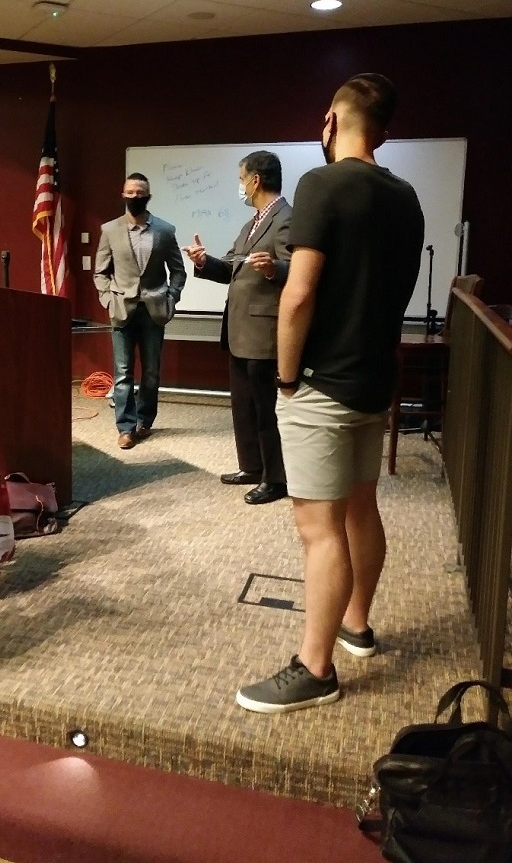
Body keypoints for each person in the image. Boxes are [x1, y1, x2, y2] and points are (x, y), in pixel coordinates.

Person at [236, 73, 424, 714]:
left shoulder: (321, 184)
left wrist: (286, 378)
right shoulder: (406, 196)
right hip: (375, 381)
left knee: (318, 530)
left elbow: (300, 292)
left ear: (331, 121)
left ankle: (315, 669)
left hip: (322, 384)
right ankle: (357, 626)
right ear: (385, 131)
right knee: (359, 509)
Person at [184, 150, 291, 505]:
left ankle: (276, 479)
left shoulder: (286, 219)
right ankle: (251, 467)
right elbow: (233, 266)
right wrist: (204, 261)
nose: (240, 185)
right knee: (243, 405)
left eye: (242, 178)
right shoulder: (252, 224)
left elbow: (296, 267)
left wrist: (274, 268)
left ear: (256, 180)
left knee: (265, 408)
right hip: (238, 330)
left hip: (264, 332)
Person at [94, 172, 186, 449]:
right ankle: (125, 427)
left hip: (154, 309)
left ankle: (144, 421)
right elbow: (101, 273)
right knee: (122, 372)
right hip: (122, 308)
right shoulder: (109, 230)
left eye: (140, 192)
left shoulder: (165, 230)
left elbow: (179, 272)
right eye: (130, 192)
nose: (135, 196)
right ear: (123, 195)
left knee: (151, 372)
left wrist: (171, 297)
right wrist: (108, 299)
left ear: (148, 195)